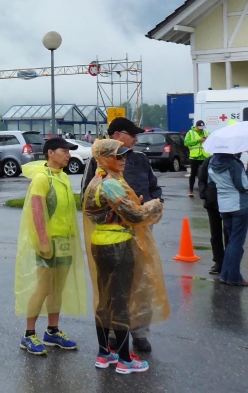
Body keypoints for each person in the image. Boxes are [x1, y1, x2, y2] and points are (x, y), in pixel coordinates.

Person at [82, 139, 167, 374]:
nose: (123, 160)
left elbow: (98, 210)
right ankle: (124, 358)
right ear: (105, 158)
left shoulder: (96, 181)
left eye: (124, 156)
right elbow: (134, 216)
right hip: (118, 246)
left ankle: (104, 353)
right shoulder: (111, 184)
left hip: (100, 243)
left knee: (104, 299)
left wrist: (129, 208)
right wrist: (153, 205)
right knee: (120, 301)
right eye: (118, 156)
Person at [15, 138, 87, 355]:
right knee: (44, 287)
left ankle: (52, 331)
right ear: (50, 153)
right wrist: (43, 241)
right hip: (48, 242)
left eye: (69, 151)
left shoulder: (62, 176)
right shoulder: (42, 178)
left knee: (58, 288)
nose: (68, 155)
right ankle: (29, 334)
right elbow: (37, 211)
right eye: (64, 151)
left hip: (64, 241)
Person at [207, 152, 248, 286]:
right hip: (239, 205)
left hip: (223, 206)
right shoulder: (234, 164)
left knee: (232, 242)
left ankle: (225, 274)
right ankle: (233, 277)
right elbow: (244, 186)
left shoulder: (211, 163)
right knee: (236, 242)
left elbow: (211, 182)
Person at [198, 156, 228, 275]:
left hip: (227, 202)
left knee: (228, 234)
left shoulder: (232, 161)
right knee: (216, 234)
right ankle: (218, 262)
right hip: (213, 201)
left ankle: (228, 262)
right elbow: (201, 178)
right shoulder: (209, 161)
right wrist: (204, 194)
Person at [184, 120, 210, 197]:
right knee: (193, 174)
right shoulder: (190, 133)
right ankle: (191, 190)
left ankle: (204, 191)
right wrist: (198, 140)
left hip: (204, 156)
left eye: (202, 128)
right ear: (196, 126)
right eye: (200, 128)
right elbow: (186, 143)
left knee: (204, 175)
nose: (201, 129)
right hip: (194, 157)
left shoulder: (207, 133)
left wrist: (208, 139)